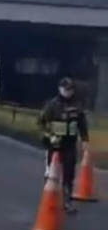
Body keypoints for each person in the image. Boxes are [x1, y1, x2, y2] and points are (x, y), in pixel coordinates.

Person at [38, 77, 89, 214]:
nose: (69, 92)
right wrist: (49, 136)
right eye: (66, 89)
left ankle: (67, 201)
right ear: (60, 89)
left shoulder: (77, 106)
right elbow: (41, 123)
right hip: (54, 145)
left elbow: (82, 125)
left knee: (69, 173)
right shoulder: (52, 105)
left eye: (71, 89)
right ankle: (49, 199)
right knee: (51, 173)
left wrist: (85, 140)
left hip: (70, 144)